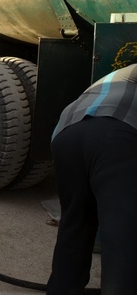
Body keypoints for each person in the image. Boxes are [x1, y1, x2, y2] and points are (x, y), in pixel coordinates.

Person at [47, 63, 137, 294]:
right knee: (122, 240)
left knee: (76, 226)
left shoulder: (121, 73)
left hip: (66, 132)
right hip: (116, 133)